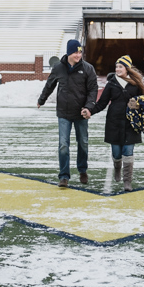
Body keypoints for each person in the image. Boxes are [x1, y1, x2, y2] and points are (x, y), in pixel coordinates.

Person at [37, 39, 98, 188]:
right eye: (75, 52)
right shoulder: (58, 68)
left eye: (80, 52)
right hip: (63, 113)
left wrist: (89, 107)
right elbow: (49, 85)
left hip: (81, 113)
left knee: (83, 142)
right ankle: (64, 176)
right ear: (68, 52)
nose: (78, 55)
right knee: (63, 145)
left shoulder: (88, 68)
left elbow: (93, 90)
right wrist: (41, 100)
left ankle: (82, 170)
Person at [84, 54, 144, 191]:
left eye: (120, 67)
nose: (117, 69)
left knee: (128, 152)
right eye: (116, 67)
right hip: (114, 123)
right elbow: (102, 103)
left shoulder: (137, 84)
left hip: (131, 124)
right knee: (117, 153)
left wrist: (137, 105)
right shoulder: (111, 83)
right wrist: (90, 111)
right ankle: (117, 169)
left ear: (127, 68)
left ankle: (127, 181)